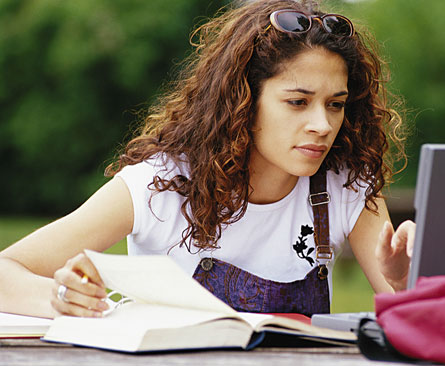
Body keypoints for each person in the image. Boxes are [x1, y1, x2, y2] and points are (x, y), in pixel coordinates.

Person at [0, 0, 415, 319]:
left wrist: (402, 280)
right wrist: (60, 298)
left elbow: (418, 319)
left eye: (335, 104)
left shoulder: (344, 188)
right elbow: (7, 269)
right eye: (297, 101)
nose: (322, 125)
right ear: (244, 100)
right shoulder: (160, 184)